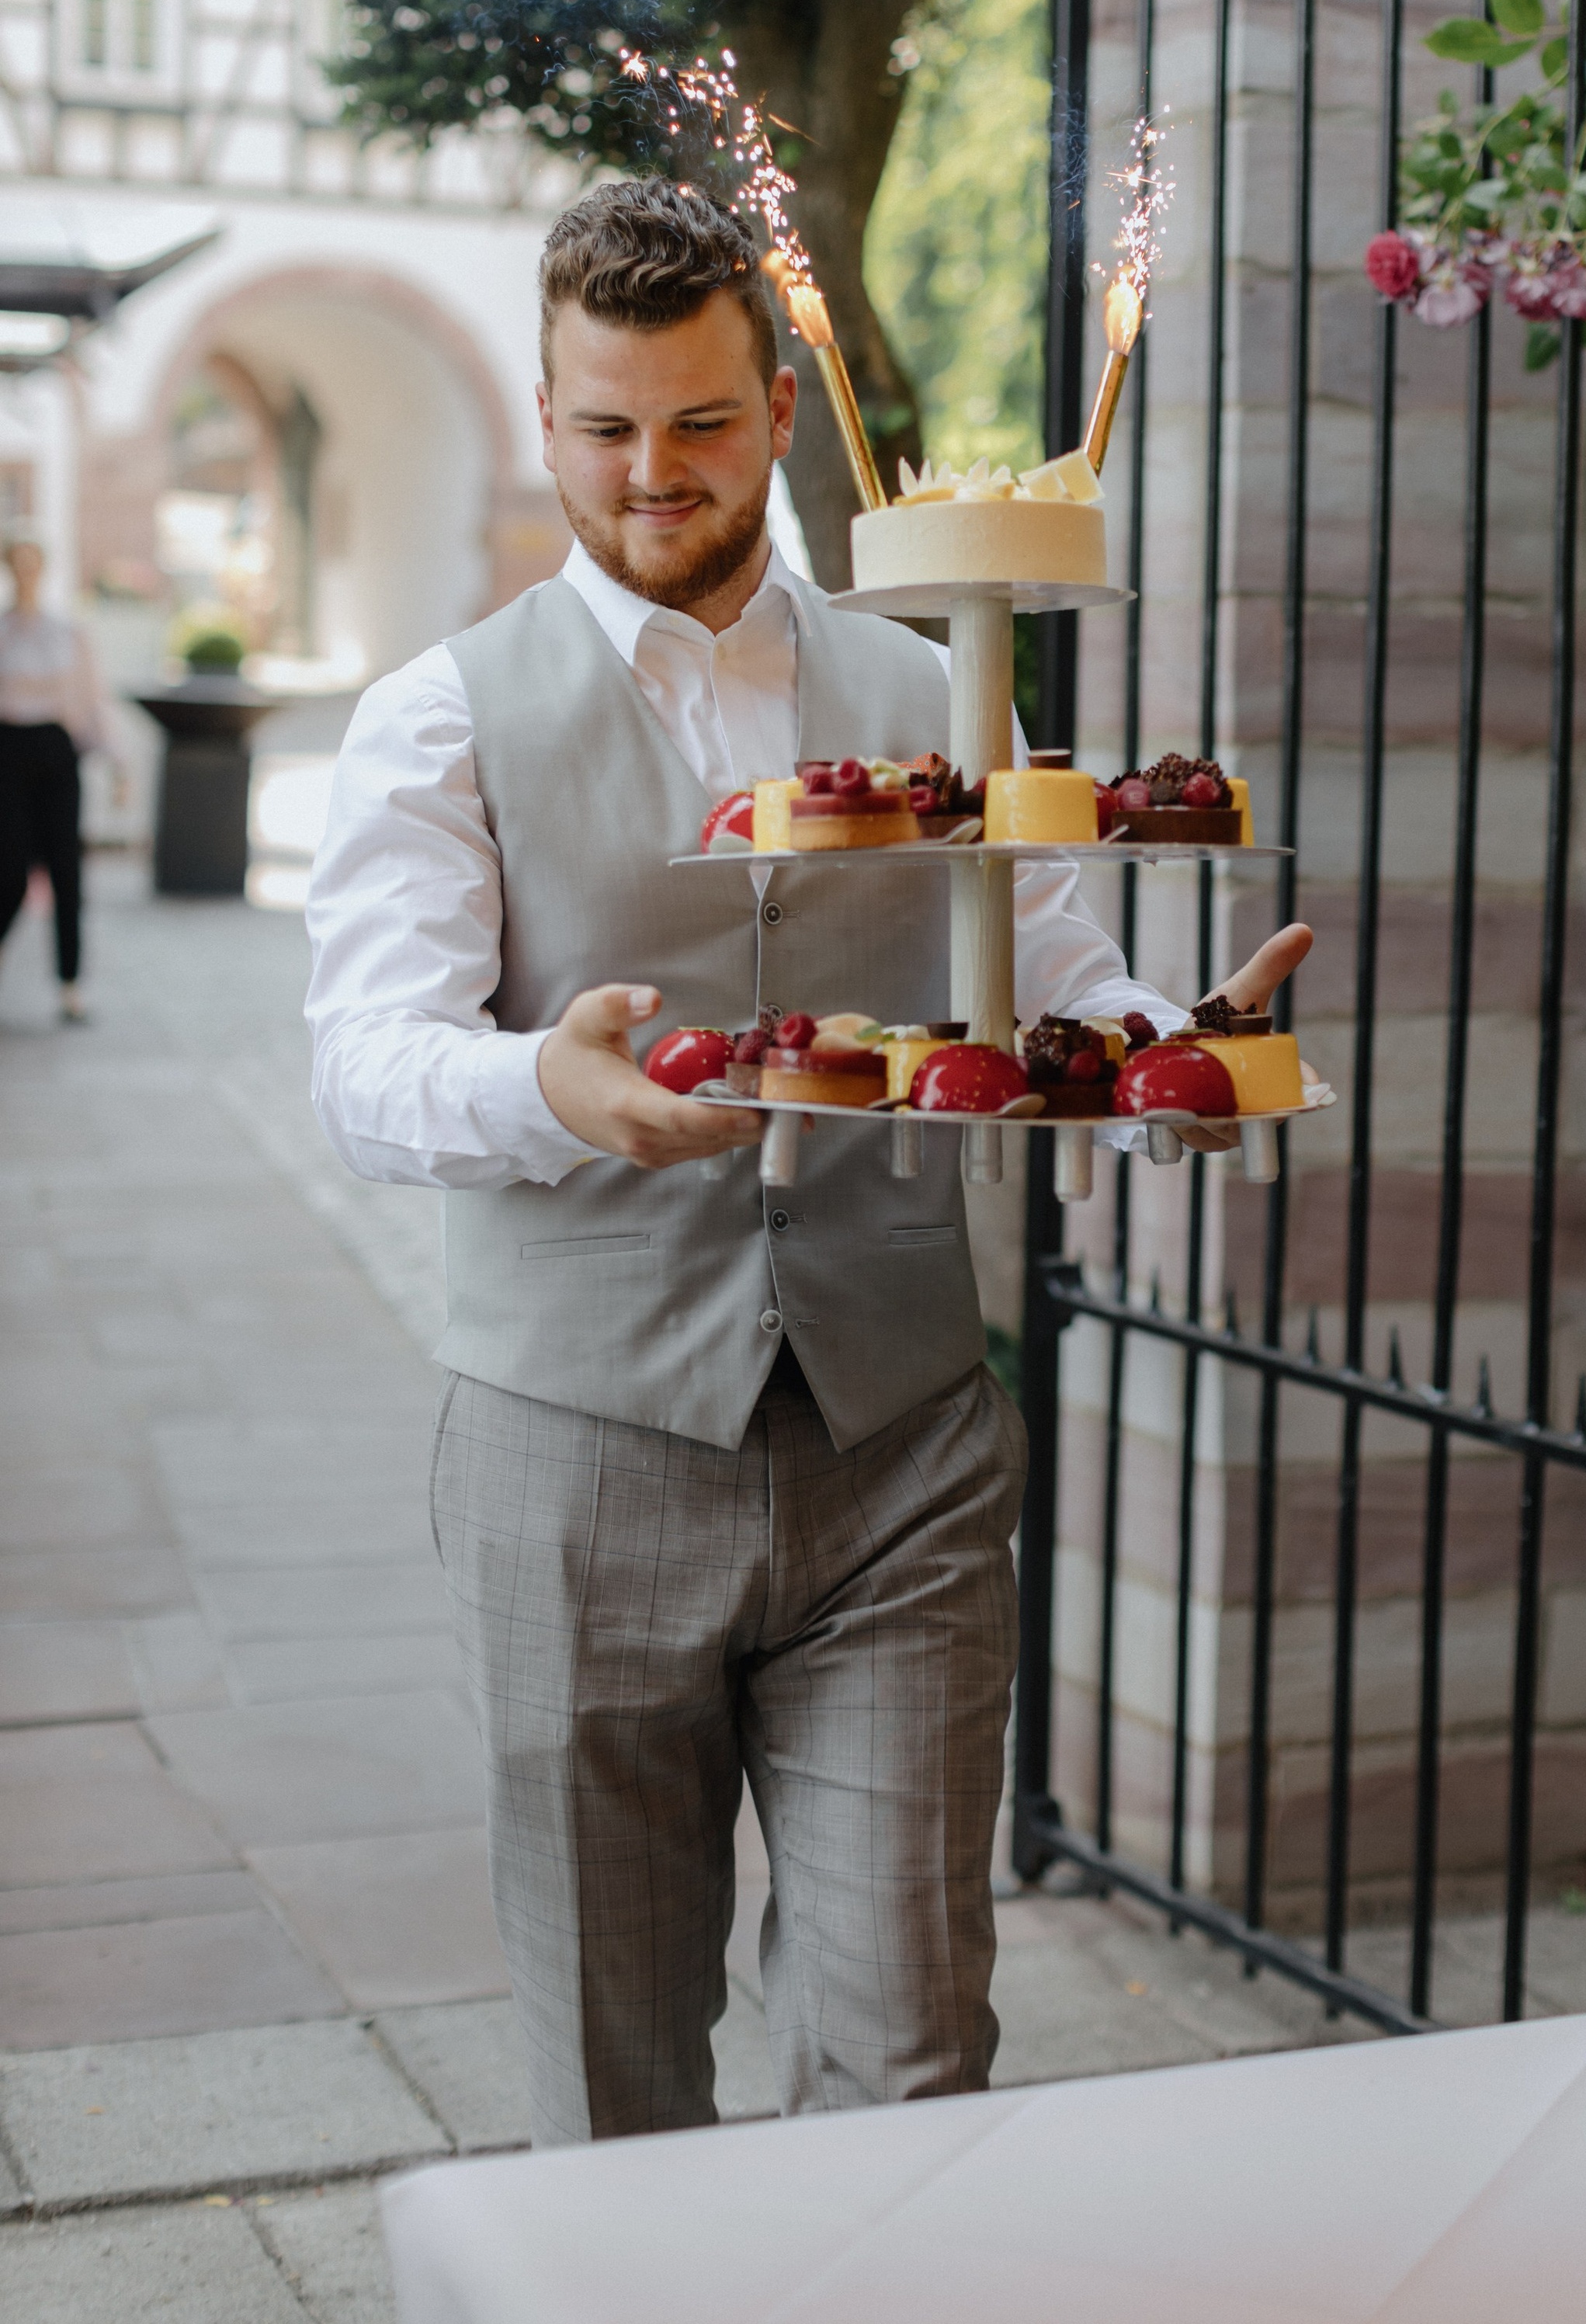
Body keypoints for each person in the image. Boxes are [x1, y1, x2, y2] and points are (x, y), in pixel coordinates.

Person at [304, 179, 1310, 2147]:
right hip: (578, 1451)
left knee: (914, 2053)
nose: (647, 471)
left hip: (900, 1446)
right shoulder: (437, 717)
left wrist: (1174, 1030)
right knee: (614, 2072)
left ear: (778, 411)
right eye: (602, 425)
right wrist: (549, 1091)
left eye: (694, 422)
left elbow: (1046, 965)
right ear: (545, 414)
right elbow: (360, 1060)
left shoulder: (929, 692)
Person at [0, 538, 111, 1022]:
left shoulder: (67, 632)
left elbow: (91, 698)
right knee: (9, 874)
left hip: (57, 754)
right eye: (18, 563)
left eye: (34, 563)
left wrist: (118, 761)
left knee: (67, 870)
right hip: (8, 753)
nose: (27, 572)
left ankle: (71, 985)